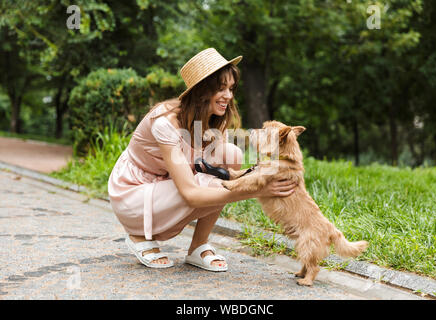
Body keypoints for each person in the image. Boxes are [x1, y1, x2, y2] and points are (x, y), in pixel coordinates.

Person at [108, 48, 297, 272]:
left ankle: (198, 246)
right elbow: (192, 193)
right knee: (209, 184)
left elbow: (223, 172)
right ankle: (139, 234)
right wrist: (258, 191)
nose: (228, 95)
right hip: (134, 193)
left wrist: (259, 175)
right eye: (220, 88)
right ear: (200, 92)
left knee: (231, 154)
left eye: (230, 88)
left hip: (168, 184)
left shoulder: (215, 119)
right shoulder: (165, 122)